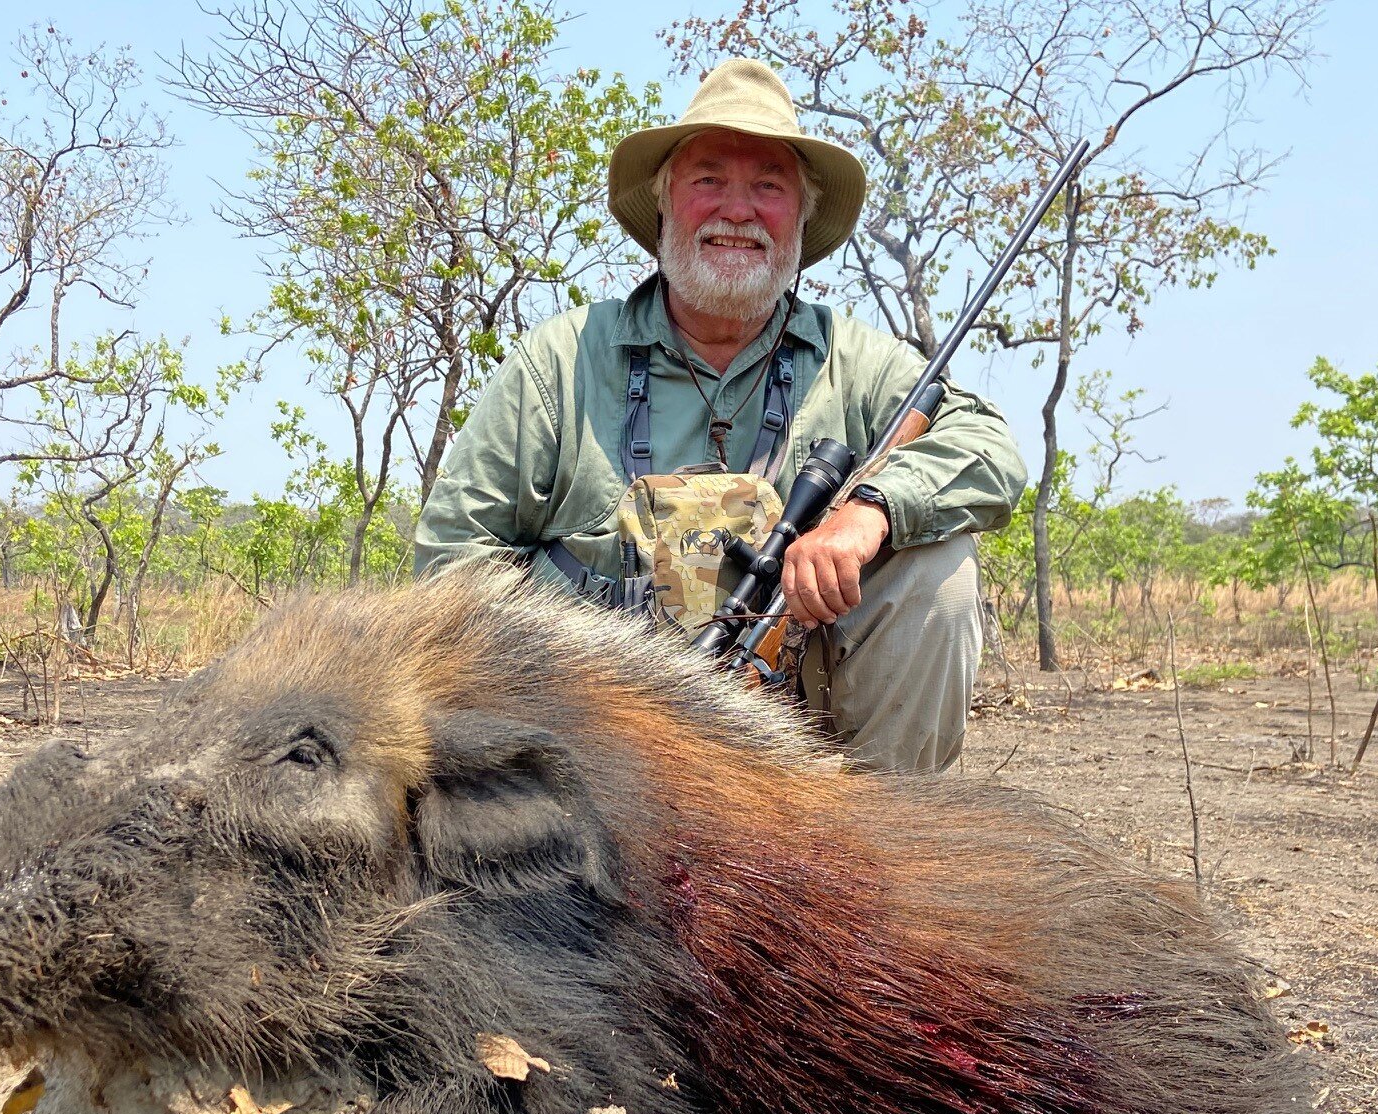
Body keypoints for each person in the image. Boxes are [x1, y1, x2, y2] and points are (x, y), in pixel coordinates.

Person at [414, 58, 1028, 774]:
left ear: (799, 217)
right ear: (666, 202)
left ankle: (882, 851)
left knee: (939, 567)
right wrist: (581, 675)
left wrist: (866, 514)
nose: (738, 211)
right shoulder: (561, 361)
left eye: (769, 186)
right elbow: (452, 561)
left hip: (800, 743)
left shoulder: (853, 361)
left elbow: (990, 447)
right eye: (709, 179)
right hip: (593, 745)